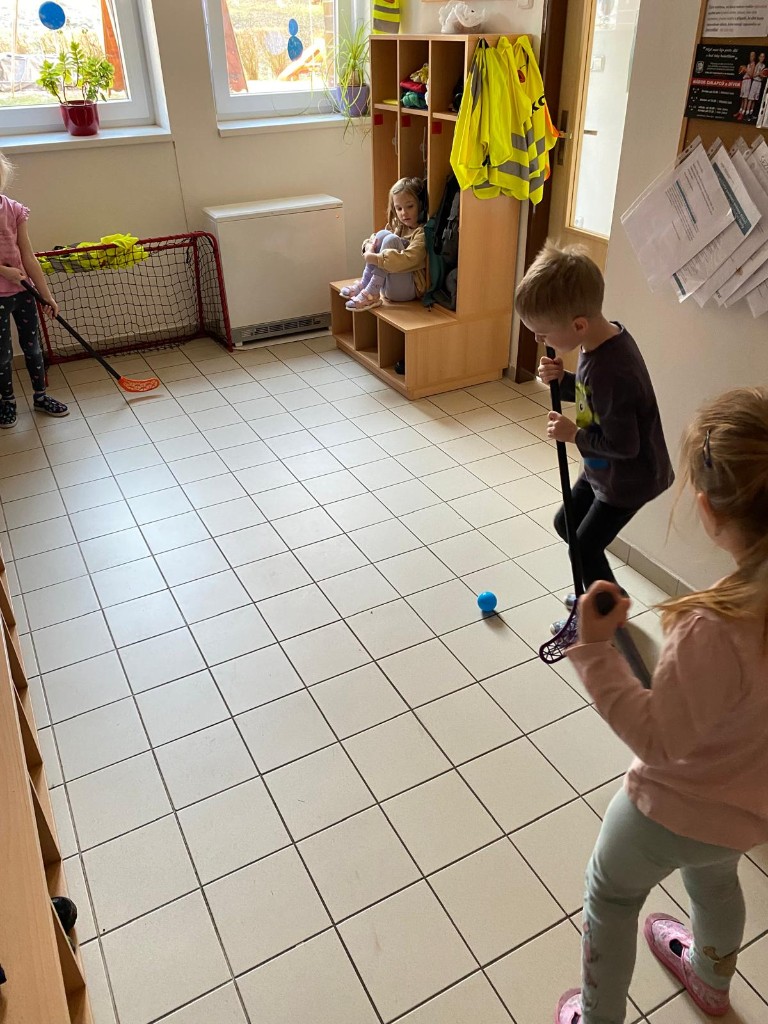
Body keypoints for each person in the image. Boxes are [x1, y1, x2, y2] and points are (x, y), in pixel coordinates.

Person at [555, 385, 768, 1024]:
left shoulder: (713, 625)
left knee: (610, 900)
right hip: (746, 808)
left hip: (662, 812)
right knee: (717, 883)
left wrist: (596, 649)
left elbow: (658, 740)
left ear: (707, 507)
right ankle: (711, 983)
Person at [515, 242, 674, 633]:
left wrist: (574, 434)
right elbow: (592, 396)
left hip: (629, 479)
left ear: (578, 325)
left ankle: (602, 616)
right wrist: (563, 379)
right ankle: (605, 597)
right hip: (603, 469)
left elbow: (625, 445)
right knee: (566, 524)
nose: (538, 340)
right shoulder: (598, 343)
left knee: (585, 546)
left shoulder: (613, 369)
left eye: (542, 333)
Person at [0, 152, 68, 427]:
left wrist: (46, 296)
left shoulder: (14, 210)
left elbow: (28, 255)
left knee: (33, 348)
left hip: (23, 292)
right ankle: (7, 401)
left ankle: (41, 396)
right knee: (2, 354)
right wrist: (3, 271)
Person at [342, 176, 427, 312]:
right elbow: (375, 238)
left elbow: (410, 258)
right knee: (382, 234)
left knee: (390, 240)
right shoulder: (398, 226)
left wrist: (376, 259)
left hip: (407, 291)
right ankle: (366, 284)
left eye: (410, 206)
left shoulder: (422, 233)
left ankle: (372, 292)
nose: (404, 213)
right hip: (387, 286)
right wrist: (368, 248)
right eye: (399, 208)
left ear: (421, 204)